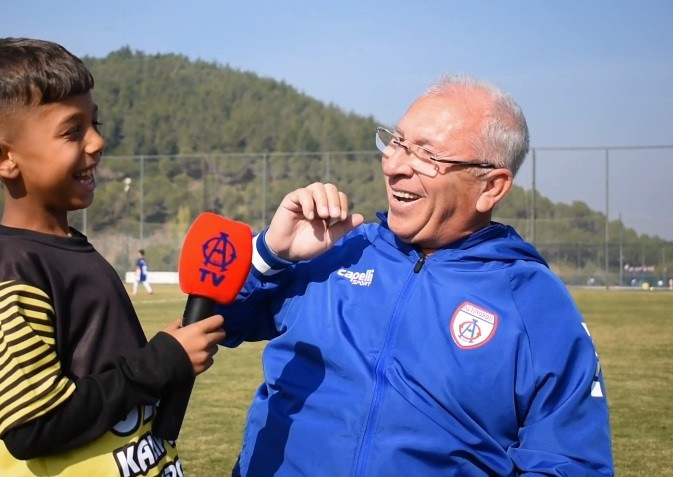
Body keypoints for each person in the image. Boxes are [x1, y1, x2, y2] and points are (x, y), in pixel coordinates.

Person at [216, 74, 614, 476]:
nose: (394, 166)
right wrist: (268, 253)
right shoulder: (333, 248)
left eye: (426, 155)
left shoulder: (535, 303)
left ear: (491, 187)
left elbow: (571, 463)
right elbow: (212, 323)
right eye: (396, 142)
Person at [0, 37, 225, 476]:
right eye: (72, 130)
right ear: (2, 157)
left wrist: (166, 356)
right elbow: (33, 425)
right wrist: (158, 363)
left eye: (94, 123)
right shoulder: (14, 270)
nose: (97, 142)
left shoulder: (70, 249)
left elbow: (104, 377)